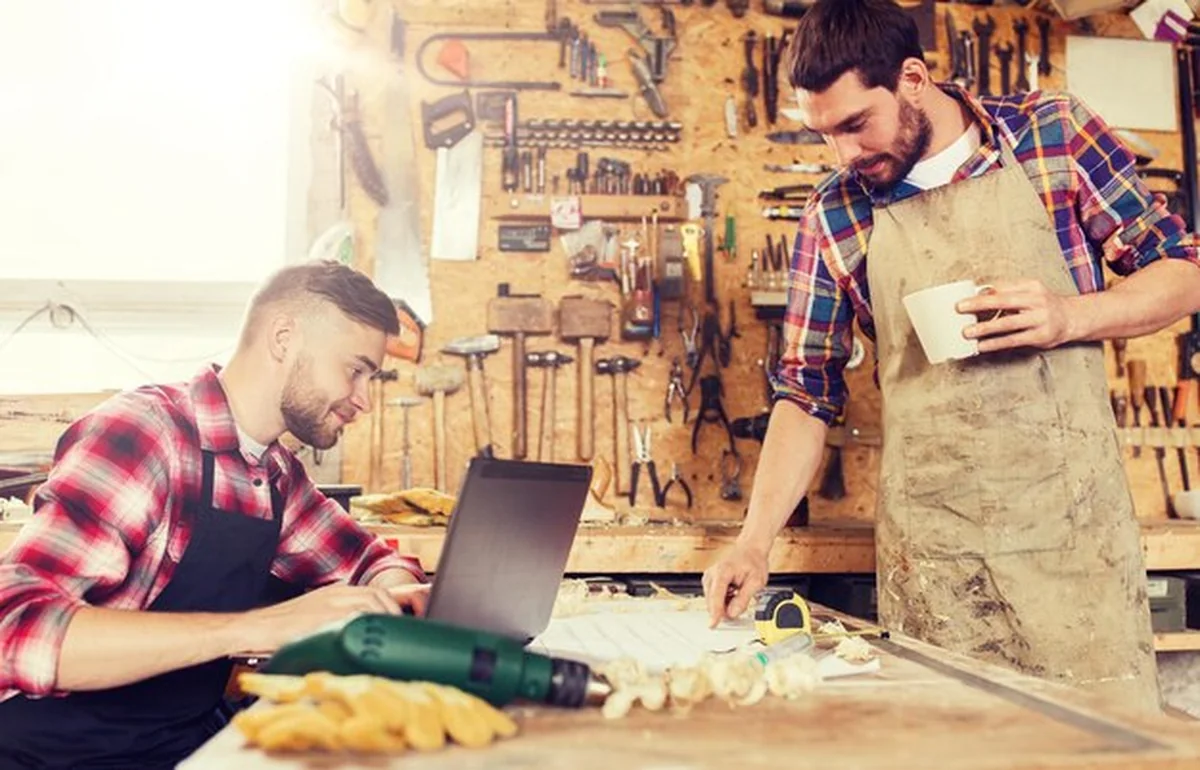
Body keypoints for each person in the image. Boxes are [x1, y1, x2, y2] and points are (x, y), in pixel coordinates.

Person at [703, 0, 1200, 713]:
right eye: (824, 134)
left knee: (1099, 749)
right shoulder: (835, 213)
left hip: (1075, 551)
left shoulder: (1050, 135)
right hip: (937, 561)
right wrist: (754, 542)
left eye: (854, 125)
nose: (843, 155)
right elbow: (805, 393)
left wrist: (1069, 316)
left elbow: (1183, 268)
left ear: (911, 78)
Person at [0, 260, 430, 768]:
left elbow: (368, 559)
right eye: (356, 371)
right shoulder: (144, 435)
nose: (364, 401)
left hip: (181, 742)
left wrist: (393, 598)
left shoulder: (274, 474)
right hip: (63, 752)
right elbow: (15, 629)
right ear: (284, 338)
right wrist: (254, 628)